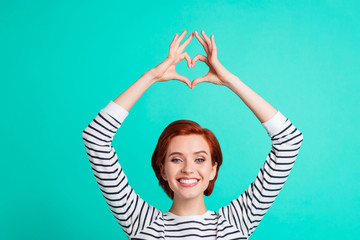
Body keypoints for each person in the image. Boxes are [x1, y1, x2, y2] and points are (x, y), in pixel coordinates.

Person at [82, 30, 304, 239]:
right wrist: (151, 77)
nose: (188, 169)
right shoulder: (142, 223)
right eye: (176, 159)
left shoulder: (235, 223)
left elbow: (289, 141)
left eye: (200, 159)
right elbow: (96, 137)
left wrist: (231, 81)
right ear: (162, 170)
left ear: (213, 169)